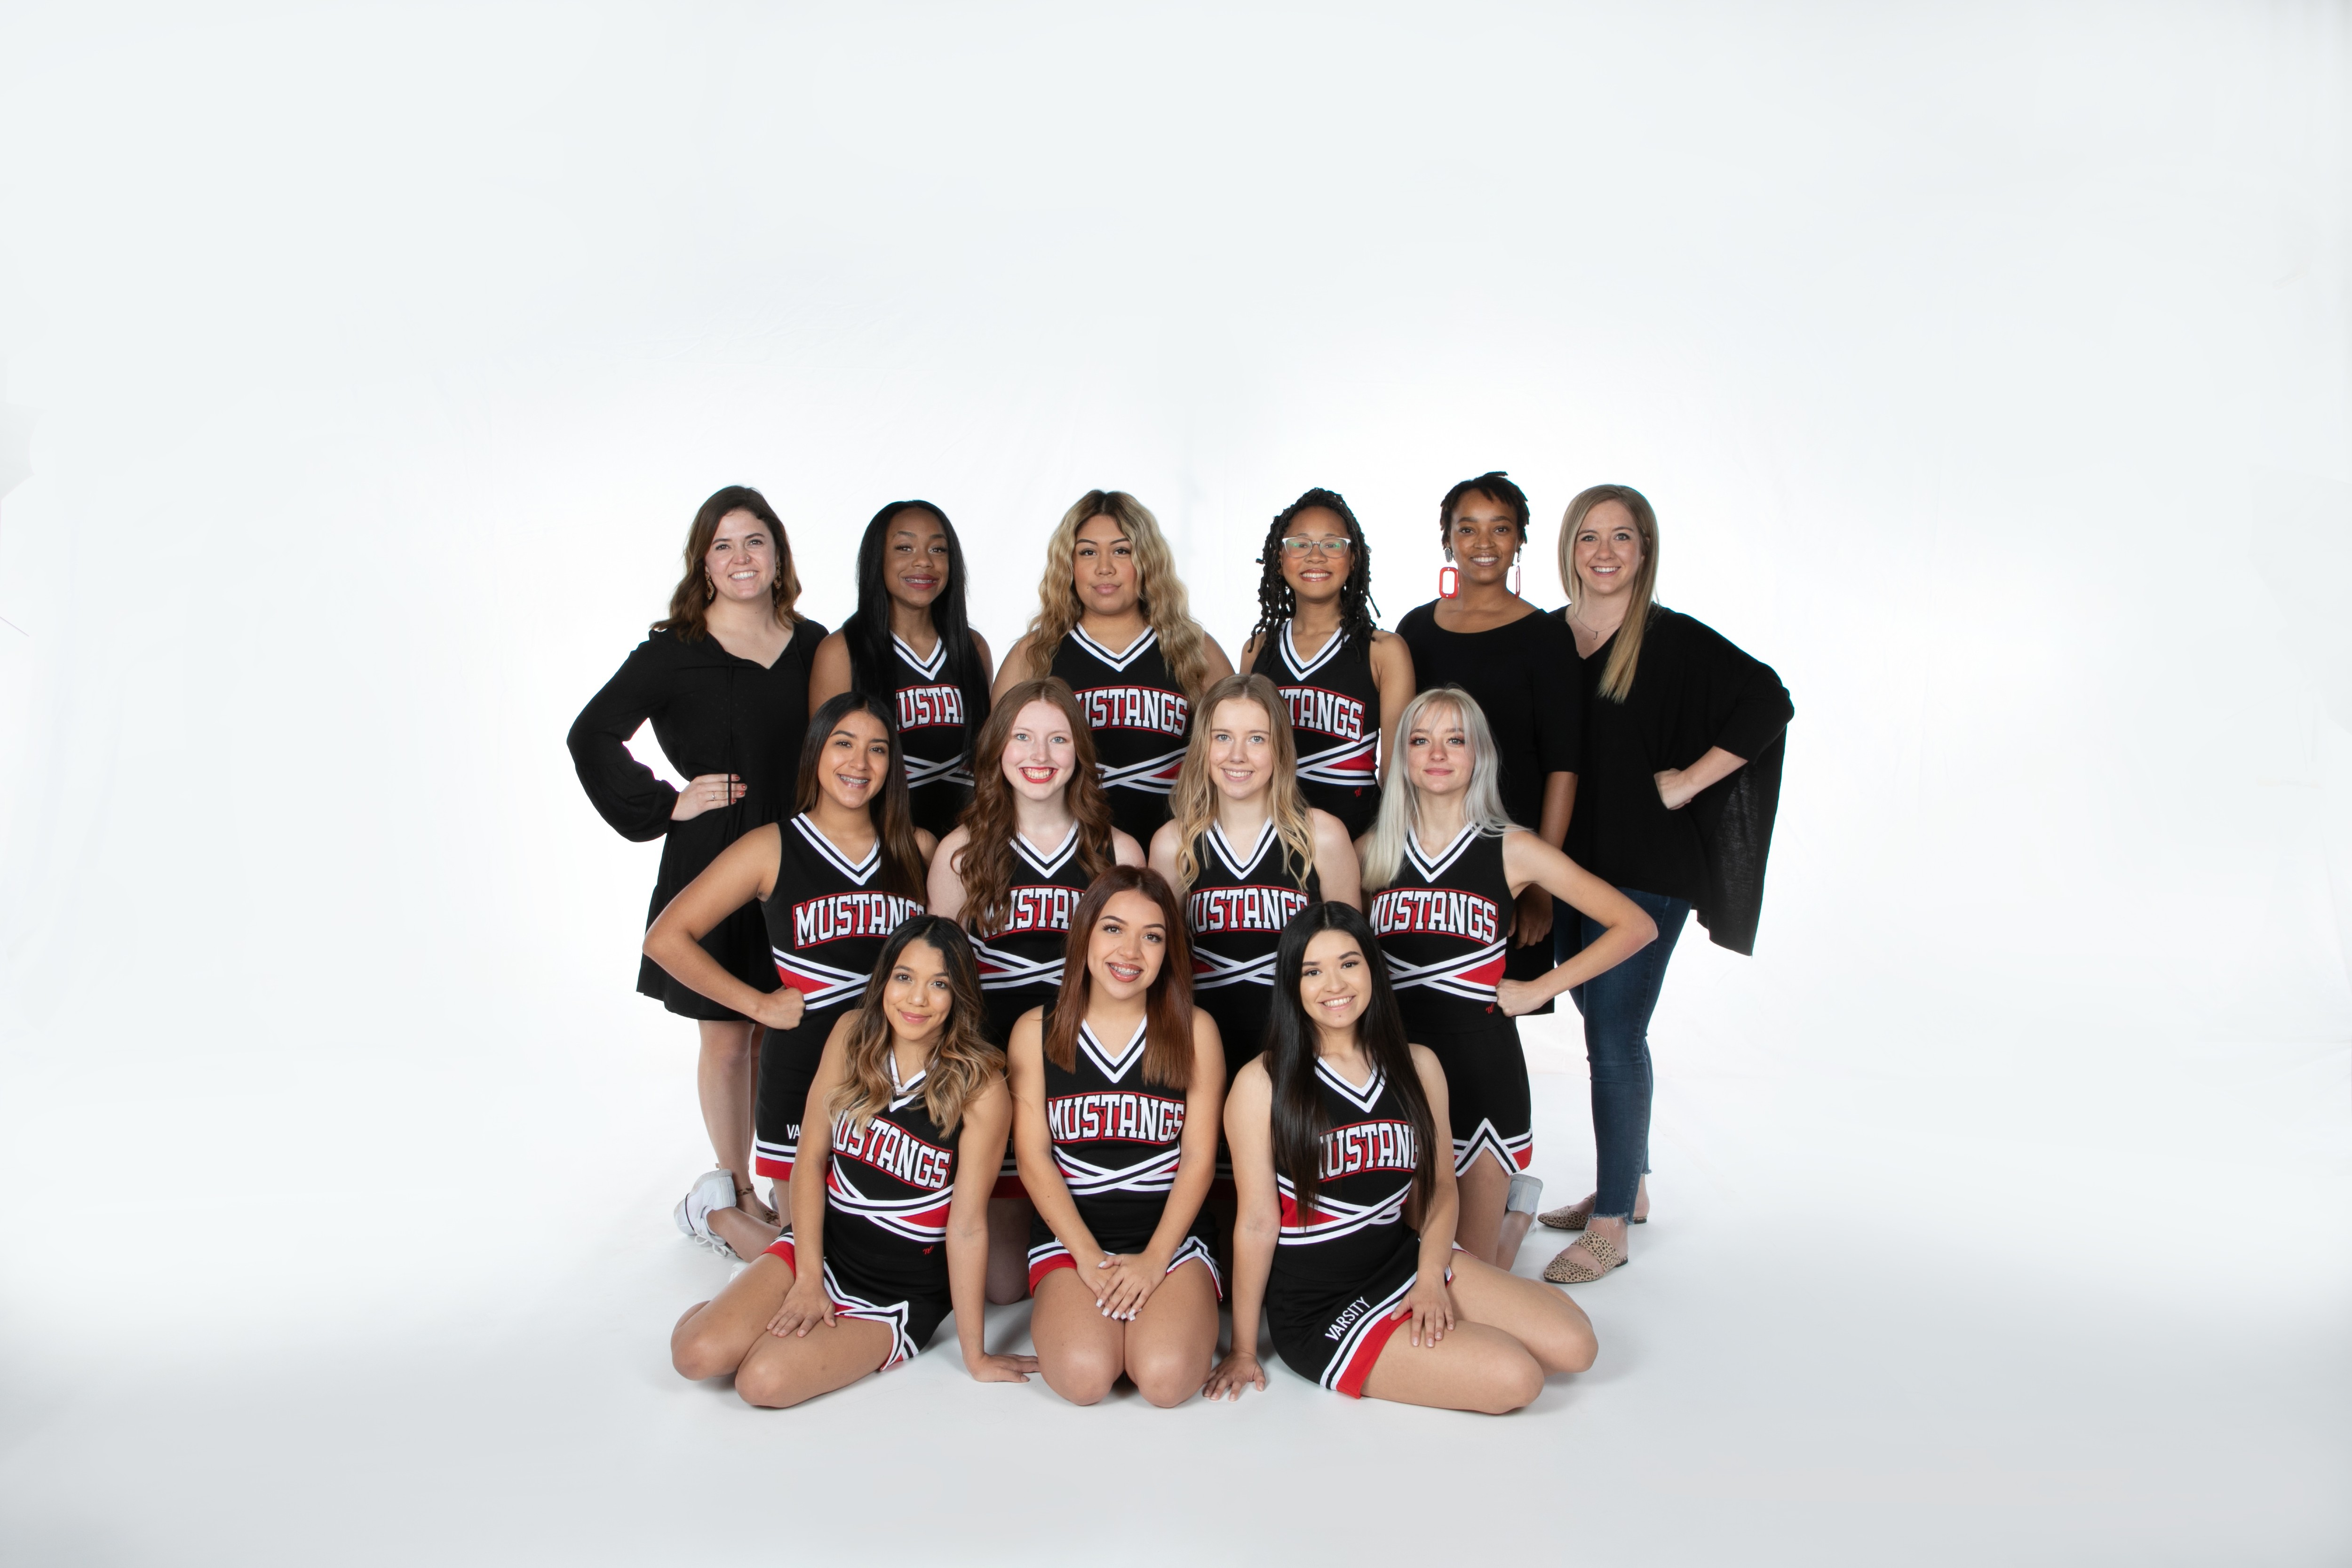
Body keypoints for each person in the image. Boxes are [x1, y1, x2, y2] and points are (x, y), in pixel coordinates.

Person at [1537, 484, 1793, 1283]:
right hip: (1569, 865)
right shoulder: (1546, 637)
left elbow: (1768, 699)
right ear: (1569, 548)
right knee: (1601, 1014)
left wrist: (1687, 781)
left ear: (1644, 549)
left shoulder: (1671, 638)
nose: (1605, 552)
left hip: (1648, 866)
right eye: (1589, 536)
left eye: (1622, 536)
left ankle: (1611, 1222)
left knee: (1613, 1035)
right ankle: (1633, 1184)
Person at [1204, 903, 1597, 1411]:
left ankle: (1511, 1230)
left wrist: (1431, 1278)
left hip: (1404, 1261)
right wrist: (1241, 1349)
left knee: (1577, 1346)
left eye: (1348, 963)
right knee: (1517, 1377)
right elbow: (1258, 1223)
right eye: (1312, 971)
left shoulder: (1418, 1065)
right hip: (1323, 1308)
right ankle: (1513, 1228)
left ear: (1372, 967)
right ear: (1292, 984)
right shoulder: (1263, 1081)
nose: (1334, 984)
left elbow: (1440, 1188)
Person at [568, 485, 825, 1230]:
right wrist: (665, 803)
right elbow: (590, 734)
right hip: (716, 856)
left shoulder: (814, 645)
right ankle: (732, 1187)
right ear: (703, 562)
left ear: (778, 554)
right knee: (728, 1033)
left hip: (799, 854)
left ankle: (787, 1181)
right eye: (723, 545)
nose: (741, 558)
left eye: (754, 541)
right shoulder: (673, 652)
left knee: (788, 1028)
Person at [667, 917, 1040, 1406]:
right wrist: (807, 1279)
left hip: (898, 1292)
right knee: (695, 1355)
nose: (917, 999)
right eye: (904, 977)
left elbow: (968, 1226)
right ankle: (730, 1261)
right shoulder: (852, 1035)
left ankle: (746, 1285)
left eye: (939, 984)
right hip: (823, 1252)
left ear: (960, 996)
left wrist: (976, 1355)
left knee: (761, 1382)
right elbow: (809, 1159)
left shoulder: (981, 1085)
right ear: (884, 979)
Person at [1363, 687, 1656, 1267]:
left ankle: (1514, 1215)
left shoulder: (1513, 848)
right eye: (1420, 740)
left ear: (1479, 755)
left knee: (1473, 1274)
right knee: (1408, 1262)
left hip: (1482, 1068)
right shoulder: (1371, 850)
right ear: (1401, 756)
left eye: (1455, 740)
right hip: (1396, 1068)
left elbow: (1635, 926)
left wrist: (1541, 988)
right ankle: (1515, 1209)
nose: (1437, 754)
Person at [641, 692, 932, 1256]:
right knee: (814, 1257)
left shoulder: (915, 848)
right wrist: (757, 1005)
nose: (859, 763)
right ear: (816, 751)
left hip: (891, 1074)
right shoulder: (771, 846)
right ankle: (717, 1215)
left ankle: (740, 1223)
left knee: (894, 1248)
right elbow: (665, 939)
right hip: (801, 1074)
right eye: (843, 744)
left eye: (877, 749)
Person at [929, 677, 1144, 1299]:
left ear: (1080, 751)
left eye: (1057, 739)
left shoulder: (1117, 851)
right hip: (997, 1067)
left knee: (1092, 1250)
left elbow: (1143, 977)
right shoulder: (960, 853)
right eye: (1022, 737)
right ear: (998, 748)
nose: (1039, 756)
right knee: (1002, 1288)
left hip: (1086, 1070)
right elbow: (939, 984)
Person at [1008, 867, 1225, 1407]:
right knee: (1083, 1378)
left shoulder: (1195, 1029)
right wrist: (1086, 1257)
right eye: (1112, 929)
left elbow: (1199, 1157)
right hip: (1073, 1241)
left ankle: (1155, 1312)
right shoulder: (1036, 1029)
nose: (1130, 951)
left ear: (1168, 951)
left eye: (1152, 936)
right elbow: (1033, 1158)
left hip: (1171, 1241)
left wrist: (1154, 1259)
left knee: (1166, 1380)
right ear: (1084, 934)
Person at [1392, 472, 1581, 1028]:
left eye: (1499, 528)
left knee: (1489, 1011)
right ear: (1447, 538)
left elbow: (1563, 767)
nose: (1482, 542)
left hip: (1508, 859)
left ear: (1519, 539)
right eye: (1467, 528)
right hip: (1423, 849)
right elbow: (1398, 747)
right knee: (1411, 1005)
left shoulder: (1546, 637)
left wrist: (1539, 884)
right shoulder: (1414, 630)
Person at [992, 489, 1234, 846]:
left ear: (1147, 561)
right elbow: (995, 770)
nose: (1104, 567)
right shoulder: (1033, 654)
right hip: (1069, 857)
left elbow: (1241, 756)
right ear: (1069, 564)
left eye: (1122, 551)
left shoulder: (1195, 649)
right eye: (1088, 552)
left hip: (1178, 853)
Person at [1148, 673, 1360, 1074]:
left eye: (1257, 739)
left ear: (1280, 748)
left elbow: (1354, 963)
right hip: (1202, 1050)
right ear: (1203, 746)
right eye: (1223, 737)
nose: (1237, 755)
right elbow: (1160, 966)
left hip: (1303, 1051)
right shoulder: (1173, 843)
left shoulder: (1322, 836)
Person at [808, 500, 994, 838]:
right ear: (877, 559)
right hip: (887, 843)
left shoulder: (973, 647)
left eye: (938, 549)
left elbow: (987, 759)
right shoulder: (841, 651)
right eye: (904, 548)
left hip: (968, 843)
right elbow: (827, 769)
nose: (924, 561)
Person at [1239, 488, 1415, 841]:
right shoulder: (1258, 650)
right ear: (1279, 558)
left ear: (1354, 559)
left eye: (1333, 544)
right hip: (1270, 839)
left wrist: (1376, 849)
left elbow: (1398, 777)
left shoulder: (1384, 651)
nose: (1316, 556)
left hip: (1358, 839)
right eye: (1300, 544)